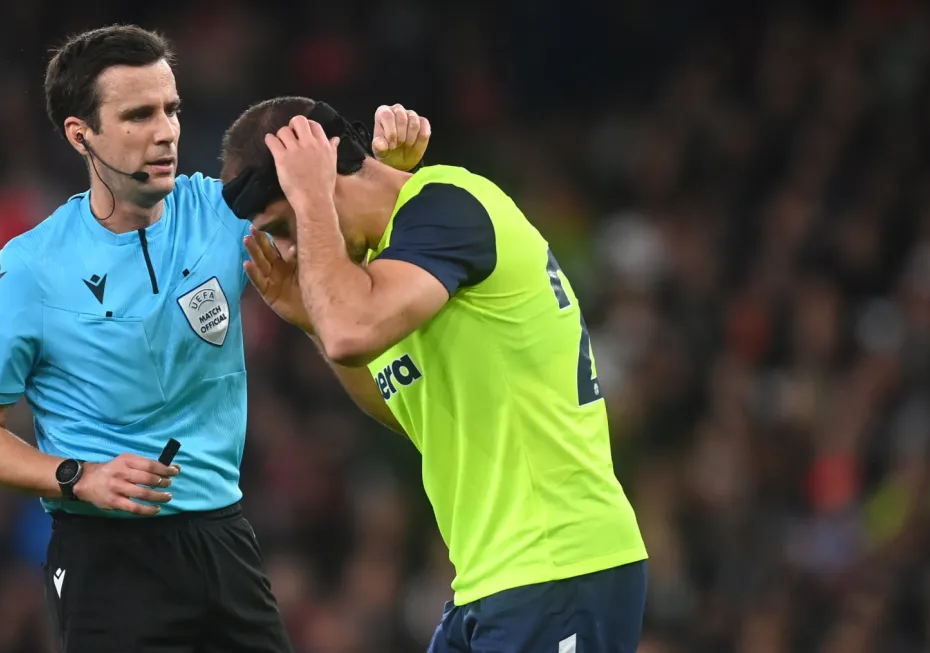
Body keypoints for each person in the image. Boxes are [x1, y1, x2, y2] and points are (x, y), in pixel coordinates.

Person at [0, 26, 431, 653]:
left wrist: (380, 170)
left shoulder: (222, 210)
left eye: (171, 109)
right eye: (138, 115)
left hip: (223, 539)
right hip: (107, 557)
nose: (165, 131)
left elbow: (344, 253)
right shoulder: (30, 269)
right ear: (80, 134)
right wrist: (79, 477)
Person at [220, 97, 648, 653]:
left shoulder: (446, 207)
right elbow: (406, 411)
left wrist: (313, 206)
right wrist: (309, 321)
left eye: (286, 225)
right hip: (490, 581)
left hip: (559, 564)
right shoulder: (399, 263)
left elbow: (349, 330)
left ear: (320, 180)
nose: (291, 250)